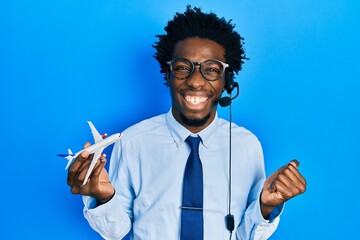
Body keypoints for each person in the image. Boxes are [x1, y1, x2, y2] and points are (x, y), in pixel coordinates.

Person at [67, 6, 306, 240]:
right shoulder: (132, 142)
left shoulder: (246, 145)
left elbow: (247, 235)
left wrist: (266, 206)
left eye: (211, 70)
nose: (195, 82)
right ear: (167, 75)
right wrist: (103, 197)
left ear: (227, 82)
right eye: (183, 68)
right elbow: (115, 232)